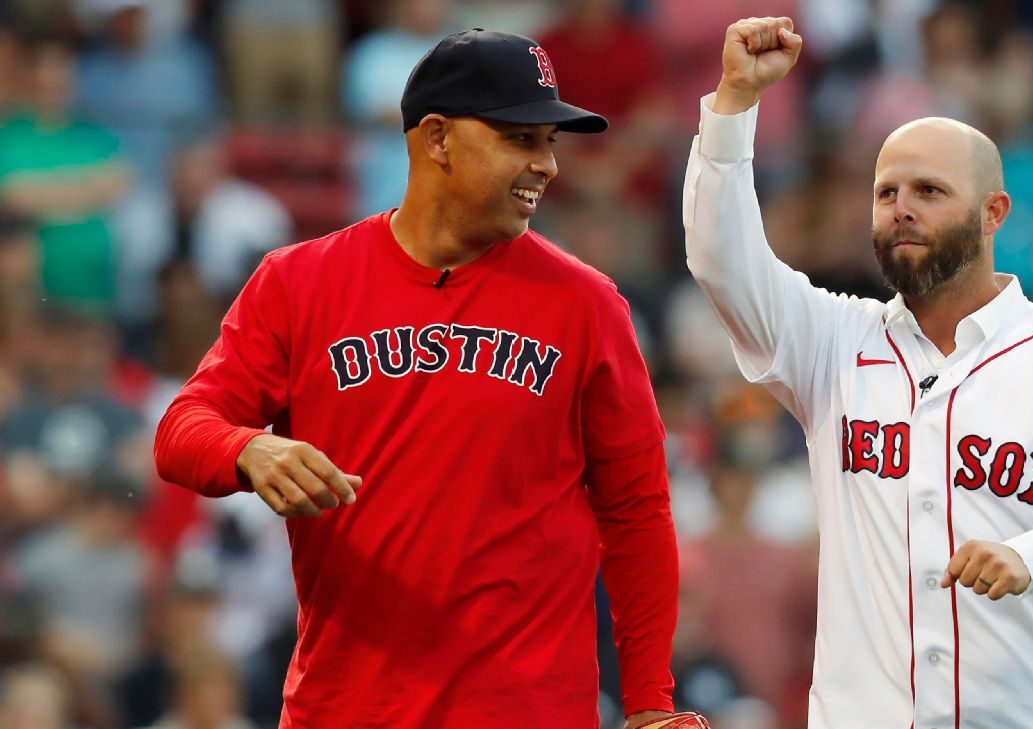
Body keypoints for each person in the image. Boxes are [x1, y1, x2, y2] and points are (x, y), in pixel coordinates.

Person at [155, 29, 680, 728]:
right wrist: (247, 449)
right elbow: (180, 430)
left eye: (550, 141)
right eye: (521, 139)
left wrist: (649, 702)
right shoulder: (299, 283)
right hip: (347, 708)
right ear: (437, 139)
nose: (548, 165)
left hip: (526, 710)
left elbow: (637, 511)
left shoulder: (588, 305)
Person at [683, 16, 1033, 729]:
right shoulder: (834, 341)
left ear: (995, 212)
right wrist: (733, 105)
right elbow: (722, 260)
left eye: (929, 190)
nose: (901, 207)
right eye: (886, 193)